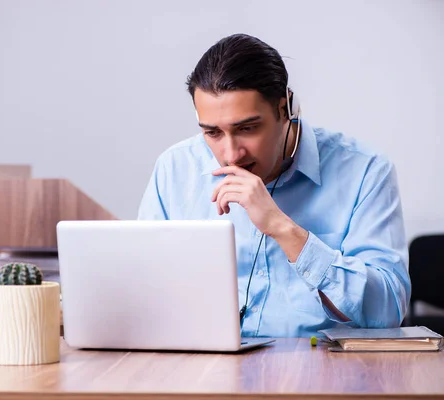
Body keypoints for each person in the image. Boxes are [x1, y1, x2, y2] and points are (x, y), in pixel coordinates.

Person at [137, 33, 411, 337]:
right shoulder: (174, 168)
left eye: (248, 128)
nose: (230, 154)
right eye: (212, 133)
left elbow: (388, 312)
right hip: (203, 371)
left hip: (321, 372)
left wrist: (284, 230)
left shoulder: (365, 171)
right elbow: (143, 289)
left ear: (285, 109)